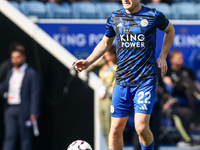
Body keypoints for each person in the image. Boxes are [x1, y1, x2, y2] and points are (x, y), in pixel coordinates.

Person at [72, 0, 175, 149]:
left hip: (144, 81)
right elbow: (105, 42)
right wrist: (89, 61)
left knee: (140, 127)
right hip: (122, 82)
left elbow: (170, 30)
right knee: (115, 130)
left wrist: (163, 55)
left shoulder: (153, 15)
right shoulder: (115, 17)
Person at [0, 48, 40, 150]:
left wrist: (33, 112)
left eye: (18, 57)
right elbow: (4, 86)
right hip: (10, 109)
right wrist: (5, 93)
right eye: (13, 58)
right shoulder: (10, 72)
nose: (15, 60)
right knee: (9, 136)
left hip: (24, 110)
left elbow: (35, 93)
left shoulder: (31, 73)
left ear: (23, 58)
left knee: (25, 138)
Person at [87, 46, 117, 148]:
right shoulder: (103, 65)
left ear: (114, 55)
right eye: (106, 54)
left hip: (111, 98)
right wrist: (100, 58)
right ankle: (107, 147)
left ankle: (112, 147)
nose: (107, 57)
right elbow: (89, 69)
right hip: (101, 98)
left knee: (110, 126)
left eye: (109, 54)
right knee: (103, 126)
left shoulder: (117, 66)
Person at [163, 50, 200, 119]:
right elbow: (168, 85)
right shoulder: (168, 71)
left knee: (188, 91)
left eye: (181, 57)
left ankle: (193, 116)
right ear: (172, 60)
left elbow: (195, 83)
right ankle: (198, 94)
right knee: (184, 79)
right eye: (178, 58)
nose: (181, 59)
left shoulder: (188, 70)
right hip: (176, 90)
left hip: (188, 92)